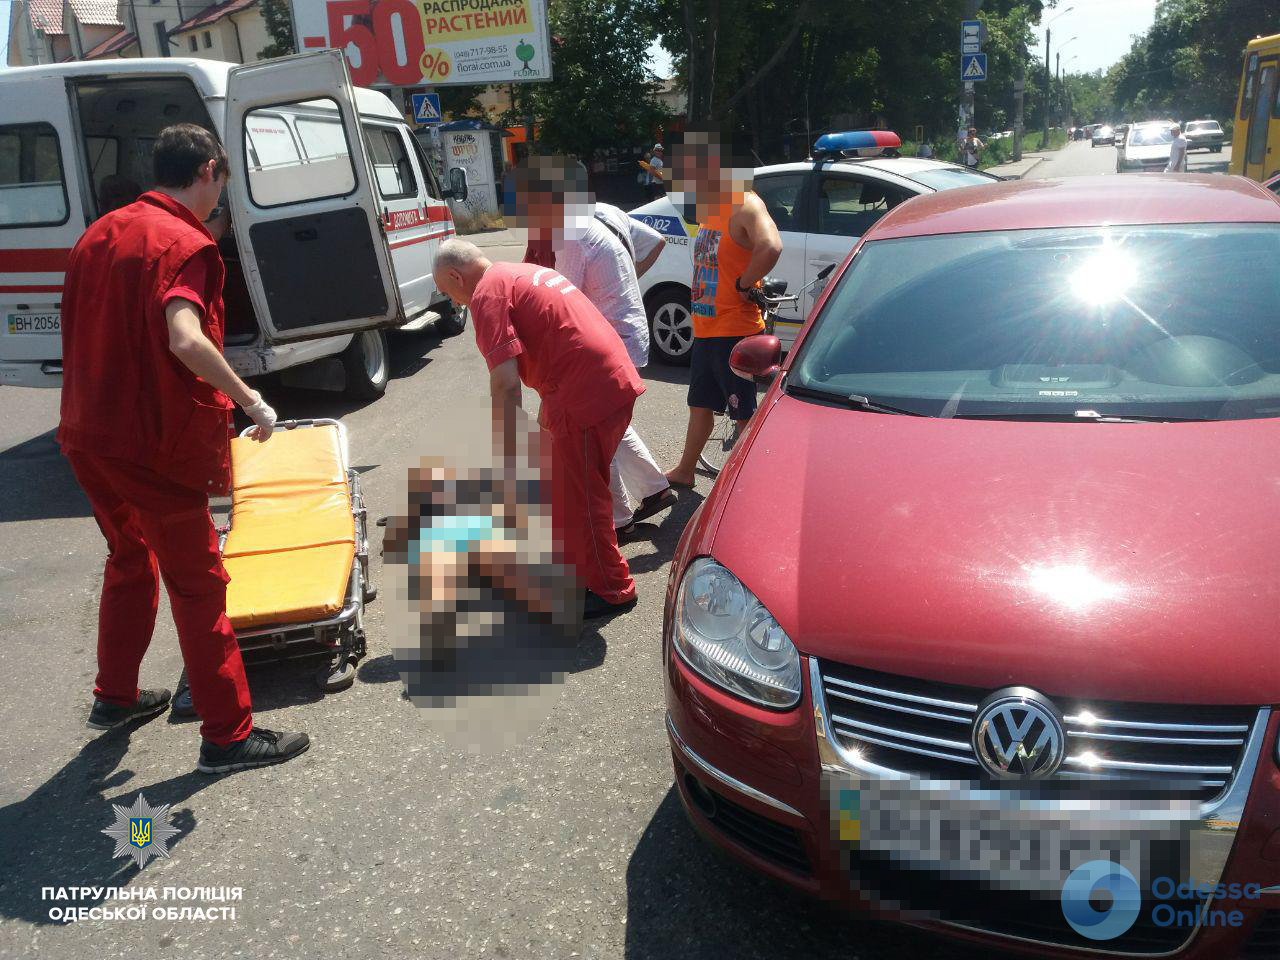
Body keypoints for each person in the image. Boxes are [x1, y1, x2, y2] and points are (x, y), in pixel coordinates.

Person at [58, 123, 309, 774]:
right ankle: (227, 736)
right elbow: (184, 338)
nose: (219, 196)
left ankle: (115, 697)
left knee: (129, 556)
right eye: (221, 183)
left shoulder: (101, 232)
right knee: (198, 587)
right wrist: (251, 400)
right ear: (207, 171)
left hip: (89, 434)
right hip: (148, 443)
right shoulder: (186, 244)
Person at [432, 239, 644, 619]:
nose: (457, 304)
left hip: (583, 392)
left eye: (451, 294)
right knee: (565, 486)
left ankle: (613, 588)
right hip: (605, 380)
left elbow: (505, 382)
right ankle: (583, 571)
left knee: (581, 497)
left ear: (455, 275)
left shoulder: (488, 294)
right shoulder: (520, 271)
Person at [512, 156, 677, 534]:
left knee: (593, 430)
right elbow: (656, 241)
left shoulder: (569, 236)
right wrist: (624, 284)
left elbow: (556, 300)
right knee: (611, 421)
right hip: (629, 331)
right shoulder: (604, 211)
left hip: (607, 341)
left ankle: (618, 521)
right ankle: (654, 489)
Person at [664, 125, 783, 490]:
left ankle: (748, 483)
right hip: (706, 328)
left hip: (736, 330)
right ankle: (686, 470)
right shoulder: (711, 208)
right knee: (700, 404)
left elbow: (771, 246)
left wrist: (745, 283)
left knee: (742, 411)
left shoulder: (746, 204)